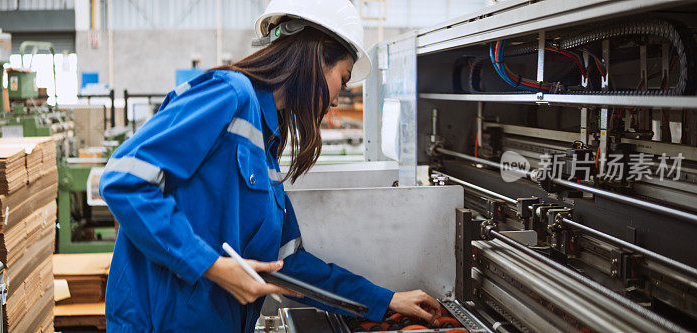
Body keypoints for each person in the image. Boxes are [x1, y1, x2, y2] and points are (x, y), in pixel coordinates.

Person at [99, 0, 441, 331]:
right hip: (159, 322)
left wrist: (384, 299)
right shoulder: (228, 95)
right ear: (318, 54)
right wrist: (213, 267)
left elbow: (287, 263)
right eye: (343, 77)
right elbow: (124, 180)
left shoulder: (266, 142)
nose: (338, 98)